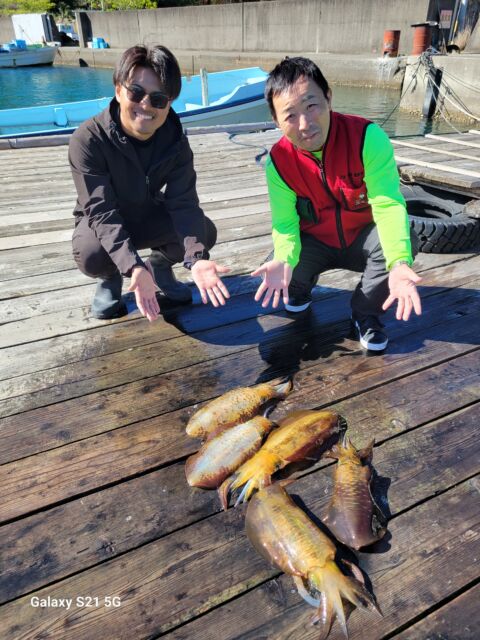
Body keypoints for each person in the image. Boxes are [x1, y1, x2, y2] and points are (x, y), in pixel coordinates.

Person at [252, 56, 422, 352]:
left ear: (329, 97)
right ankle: (300, 290)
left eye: (311, 105)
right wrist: (284, 259)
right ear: (276, 121)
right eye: (290, 115)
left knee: (405, 240)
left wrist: (399, 262)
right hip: (315, 241)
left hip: (362, 239)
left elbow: (388, 205)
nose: (305, 124)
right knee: (280, 265)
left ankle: (365, 313)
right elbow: (285, 223)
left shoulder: (367, 137)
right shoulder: (278, 161)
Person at [69, 44, 230, 322]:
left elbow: (184, 202)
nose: (145, 105)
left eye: (158, 99)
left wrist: (196, 258)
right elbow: (101, 212)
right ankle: (111, 276)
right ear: (118, 90)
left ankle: (159, 266)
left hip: (148, 210)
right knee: (90, 253)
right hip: (103, 219)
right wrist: (133, 267)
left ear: (169, 103)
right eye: (136, 92)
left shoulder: (175, 141)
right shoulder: (88, 139)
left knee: (203, 232)